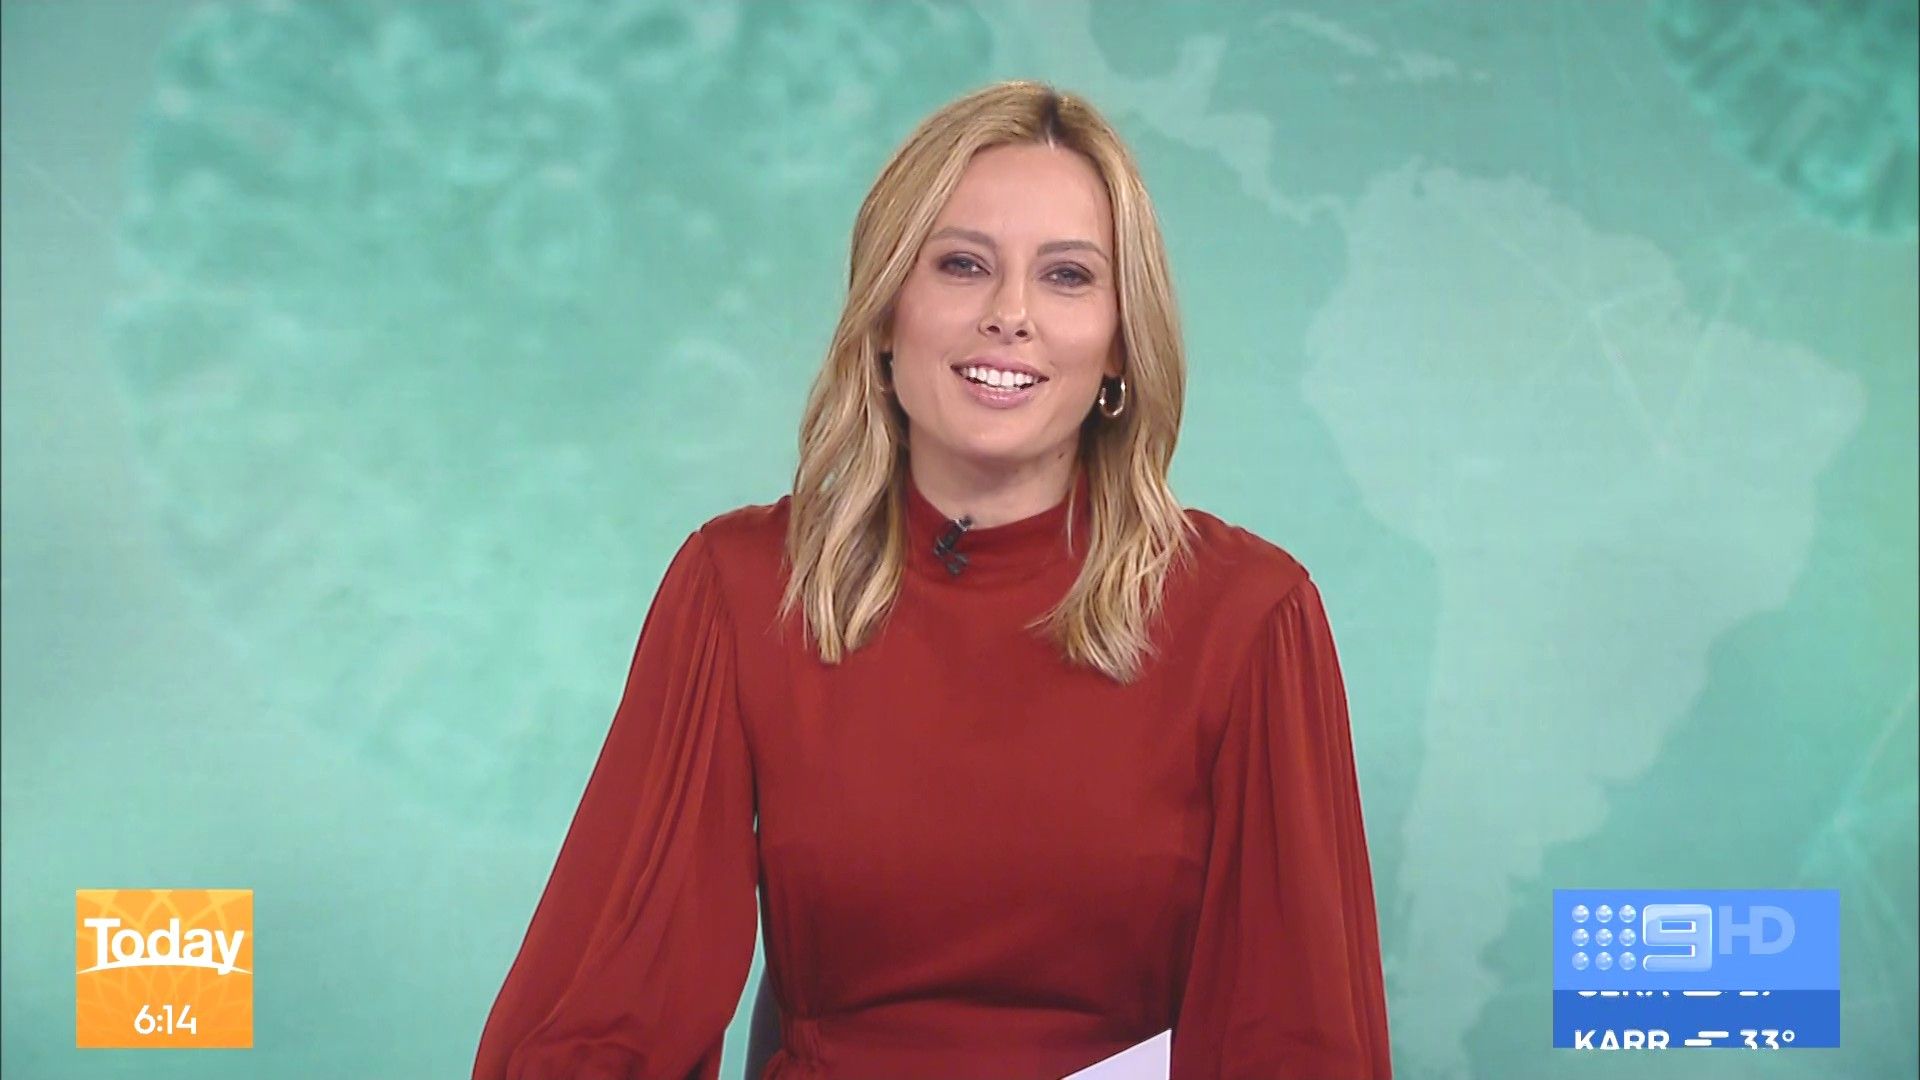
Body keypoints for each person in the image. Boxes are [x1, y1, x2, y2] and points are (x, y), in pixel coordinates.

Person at [471, 80, 1392, 1080]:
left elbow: (1296, 1043)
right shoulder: (742, 589)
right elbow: (606, 1006)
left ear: (1123, 343)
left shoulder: (1248, 616)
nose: (1010, 316)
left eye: (1068, 276)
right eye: (962, 265)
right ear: (884, 315)